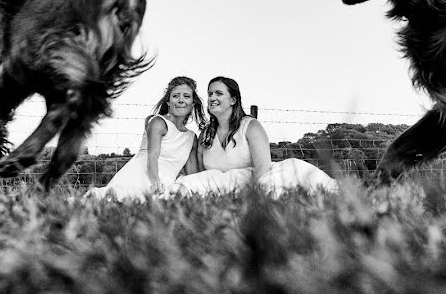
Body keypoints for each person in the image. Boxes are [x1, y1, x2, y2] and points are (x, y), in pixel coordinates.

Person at [170, 76, 339, 197]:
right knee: (185, 186)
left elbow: (263, 170)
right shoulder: (206, 134)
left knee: (276, 185)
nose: (212, 98)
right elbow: (202, 174)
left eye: (218, 93)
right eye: (210, 93)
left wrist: (251, 196)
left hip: (256, 179)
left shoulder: (251, 127)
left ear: (233, 100)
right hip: (223, 183)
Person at [84, 76, 204, 201]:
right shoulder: (158, 122)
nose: (181, 100)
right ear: (168, 102)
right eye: (175, 96)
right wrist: (155, 181)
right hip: (144, 174)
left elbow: (192, 174)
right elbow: (152, 156)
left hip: (167, 181)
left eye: (186, 96)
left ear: (193, 103)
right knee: (120, 199)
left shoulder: (191, 137)